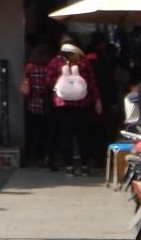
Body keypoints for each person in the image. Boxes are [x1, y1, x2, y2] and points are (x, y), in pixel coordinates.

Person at [45, 40, 101, 176]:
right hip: (82, 103)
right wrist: (98, 100)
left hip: (61, 104)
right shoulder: (84, 62)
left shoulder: (54, 63)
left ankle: (69, 167)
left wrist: (58, 86)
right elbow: (92, 82)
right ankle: (85, 166)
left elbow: (47, 82)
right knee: (83, 135)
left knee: (65, 135)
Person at [21, 42, 54, 167]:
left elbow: (26, 82)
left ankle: (39, 157)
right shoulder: (49, 67)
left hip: (33, 103)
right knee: (49, 131)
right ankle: (48, 156)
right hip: (48, 103)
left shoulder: (30, 67)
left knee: (36, 132)